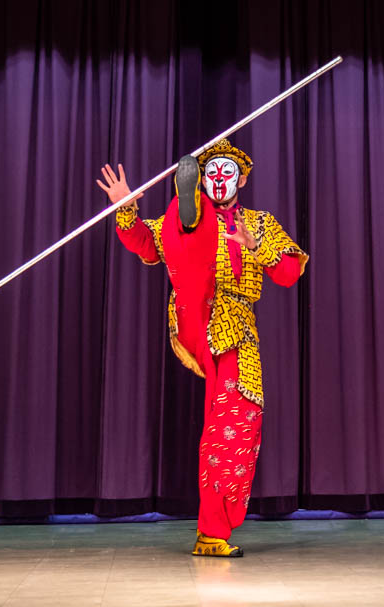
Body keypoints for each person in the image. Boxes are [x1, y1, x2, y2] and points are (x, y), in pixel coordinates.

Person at [98, 139, 307, 556]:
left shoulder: (260, 222)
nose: (219, 178)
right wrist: (125, 208)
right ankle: (190, 215)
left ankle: (212, 532)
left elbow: (287, 273)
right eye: (210, 173)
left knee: (235, 424)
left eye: (227, 172)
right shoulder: (176, 226)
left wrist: (254, 245)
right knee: (182, 238)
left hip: (235, 327)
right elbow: (143, 242)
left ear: (242, 180)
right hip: (195, 309)